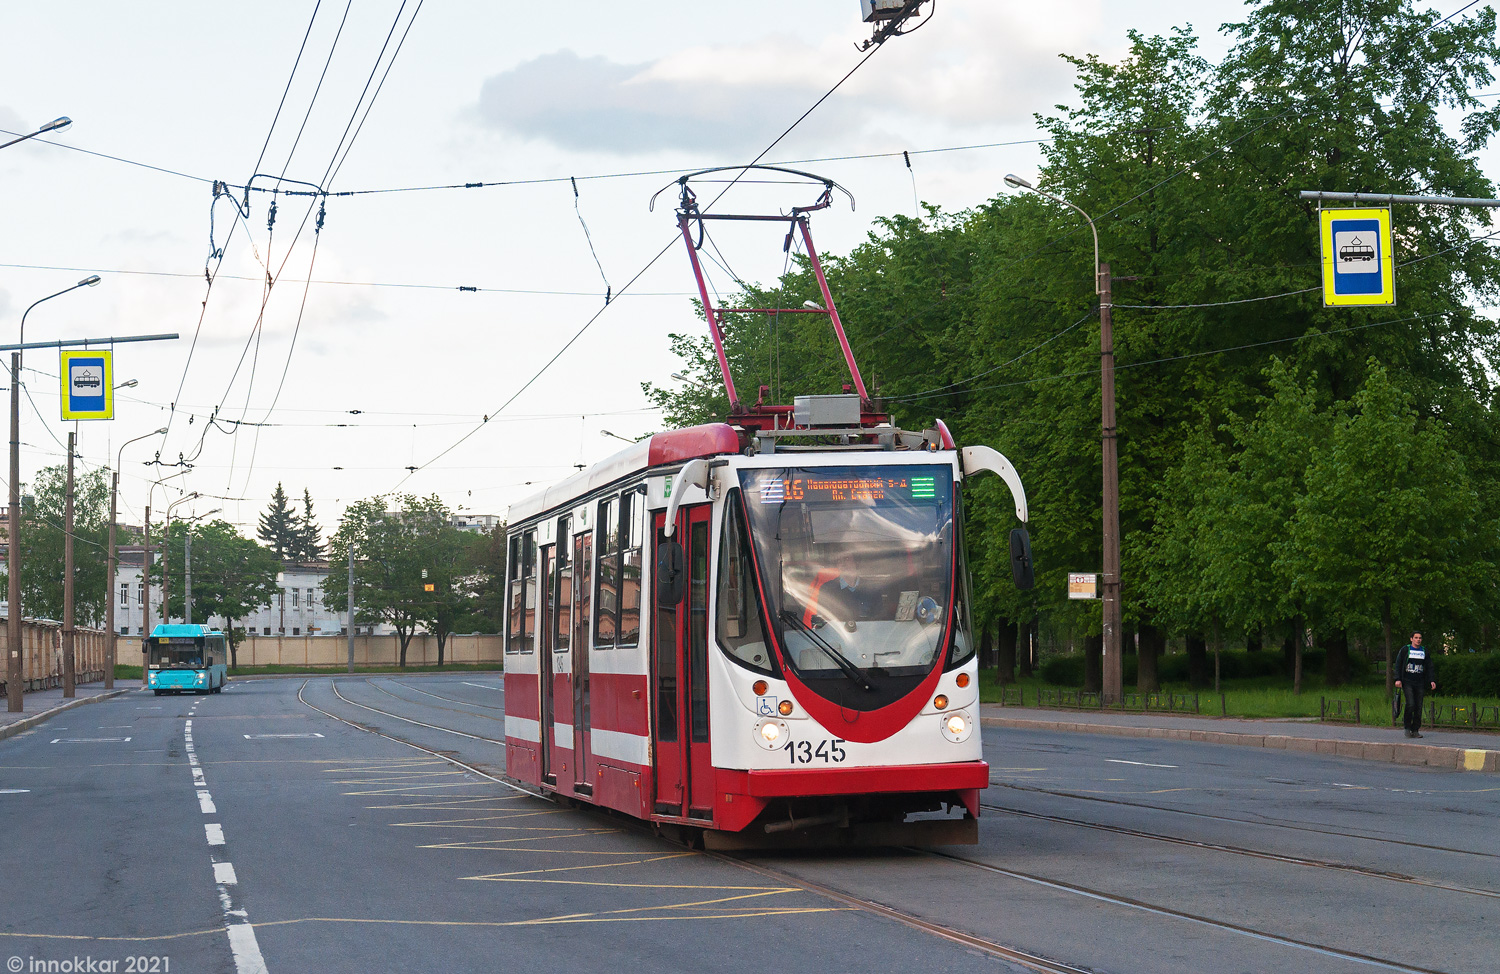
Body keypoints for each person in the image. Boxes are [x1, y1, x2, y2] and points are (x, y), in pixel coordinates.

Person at [1394, 632, 1437, 739]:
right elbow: (1398, 664)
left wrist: (1432, 680)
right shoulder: (1405, 650)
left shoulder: (1424, 651)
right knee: (1411, 704)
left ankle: (1415, 729)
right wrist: (1398, 679)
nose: (1418, 640)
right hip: (1407, 681)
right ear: (1411, 639)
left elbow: (1429, 666)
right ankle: (1407, 727)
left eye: (1420, 638)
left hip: (1420, 682)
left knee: (1418, 706)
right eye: (1416, 638)